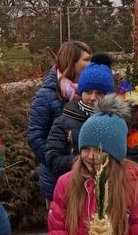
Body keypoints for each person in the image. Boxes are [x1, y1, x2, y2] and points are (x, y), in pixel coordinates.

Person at [48, 94, 138, 234]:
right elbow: (58, 229)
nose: (90, 156)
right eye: (85, 148)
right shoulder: (66, 184)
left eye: (99, 150)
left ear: (115, 153)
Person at [27, 41, 92, 202]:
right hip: (58, 179)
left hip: (91, 177)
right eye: (86, 59)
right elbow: (35, 136)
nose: (91, 64)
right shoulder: (47, 96)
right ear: (72, 61)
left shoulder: (92, 92)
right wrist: (57, 161)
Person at [44, 53, 114, 183]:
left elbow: (130, 158)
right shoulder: (63, 121)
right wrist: (82, 162)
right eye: (88, 92)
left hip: (110, 187)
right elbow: (52, 157)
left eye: (99, 93)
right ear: (81, 92)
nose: (93, 97)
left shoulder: (117, 122)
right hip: (74, 186)